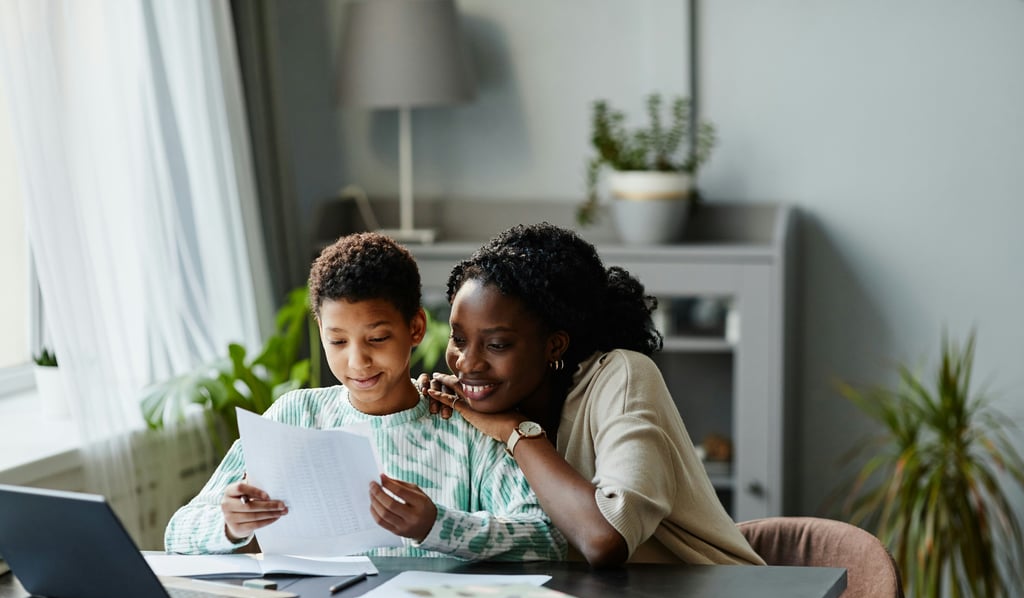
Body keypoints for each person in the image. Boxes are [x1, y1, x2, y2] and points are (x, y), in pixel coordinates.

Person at [164, 232, 566, 563]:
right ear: (320, 328)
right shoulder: (296, 415)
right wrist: (230, 523)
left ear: (415, 327)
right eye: (337, 341)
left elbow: (546, 540)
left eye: (377, 338)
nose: (358, 362)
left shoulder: (463, 425)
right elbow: (177, 533)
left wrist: (437, 526)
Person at [422, 222, 764, 568]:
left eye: (496, 345)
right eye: (459, 339)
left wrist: (515, 431)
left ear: (554, 345)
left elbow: (604, 539)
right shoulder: (492, 404)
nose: (466, 362)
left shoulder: (622, 375)